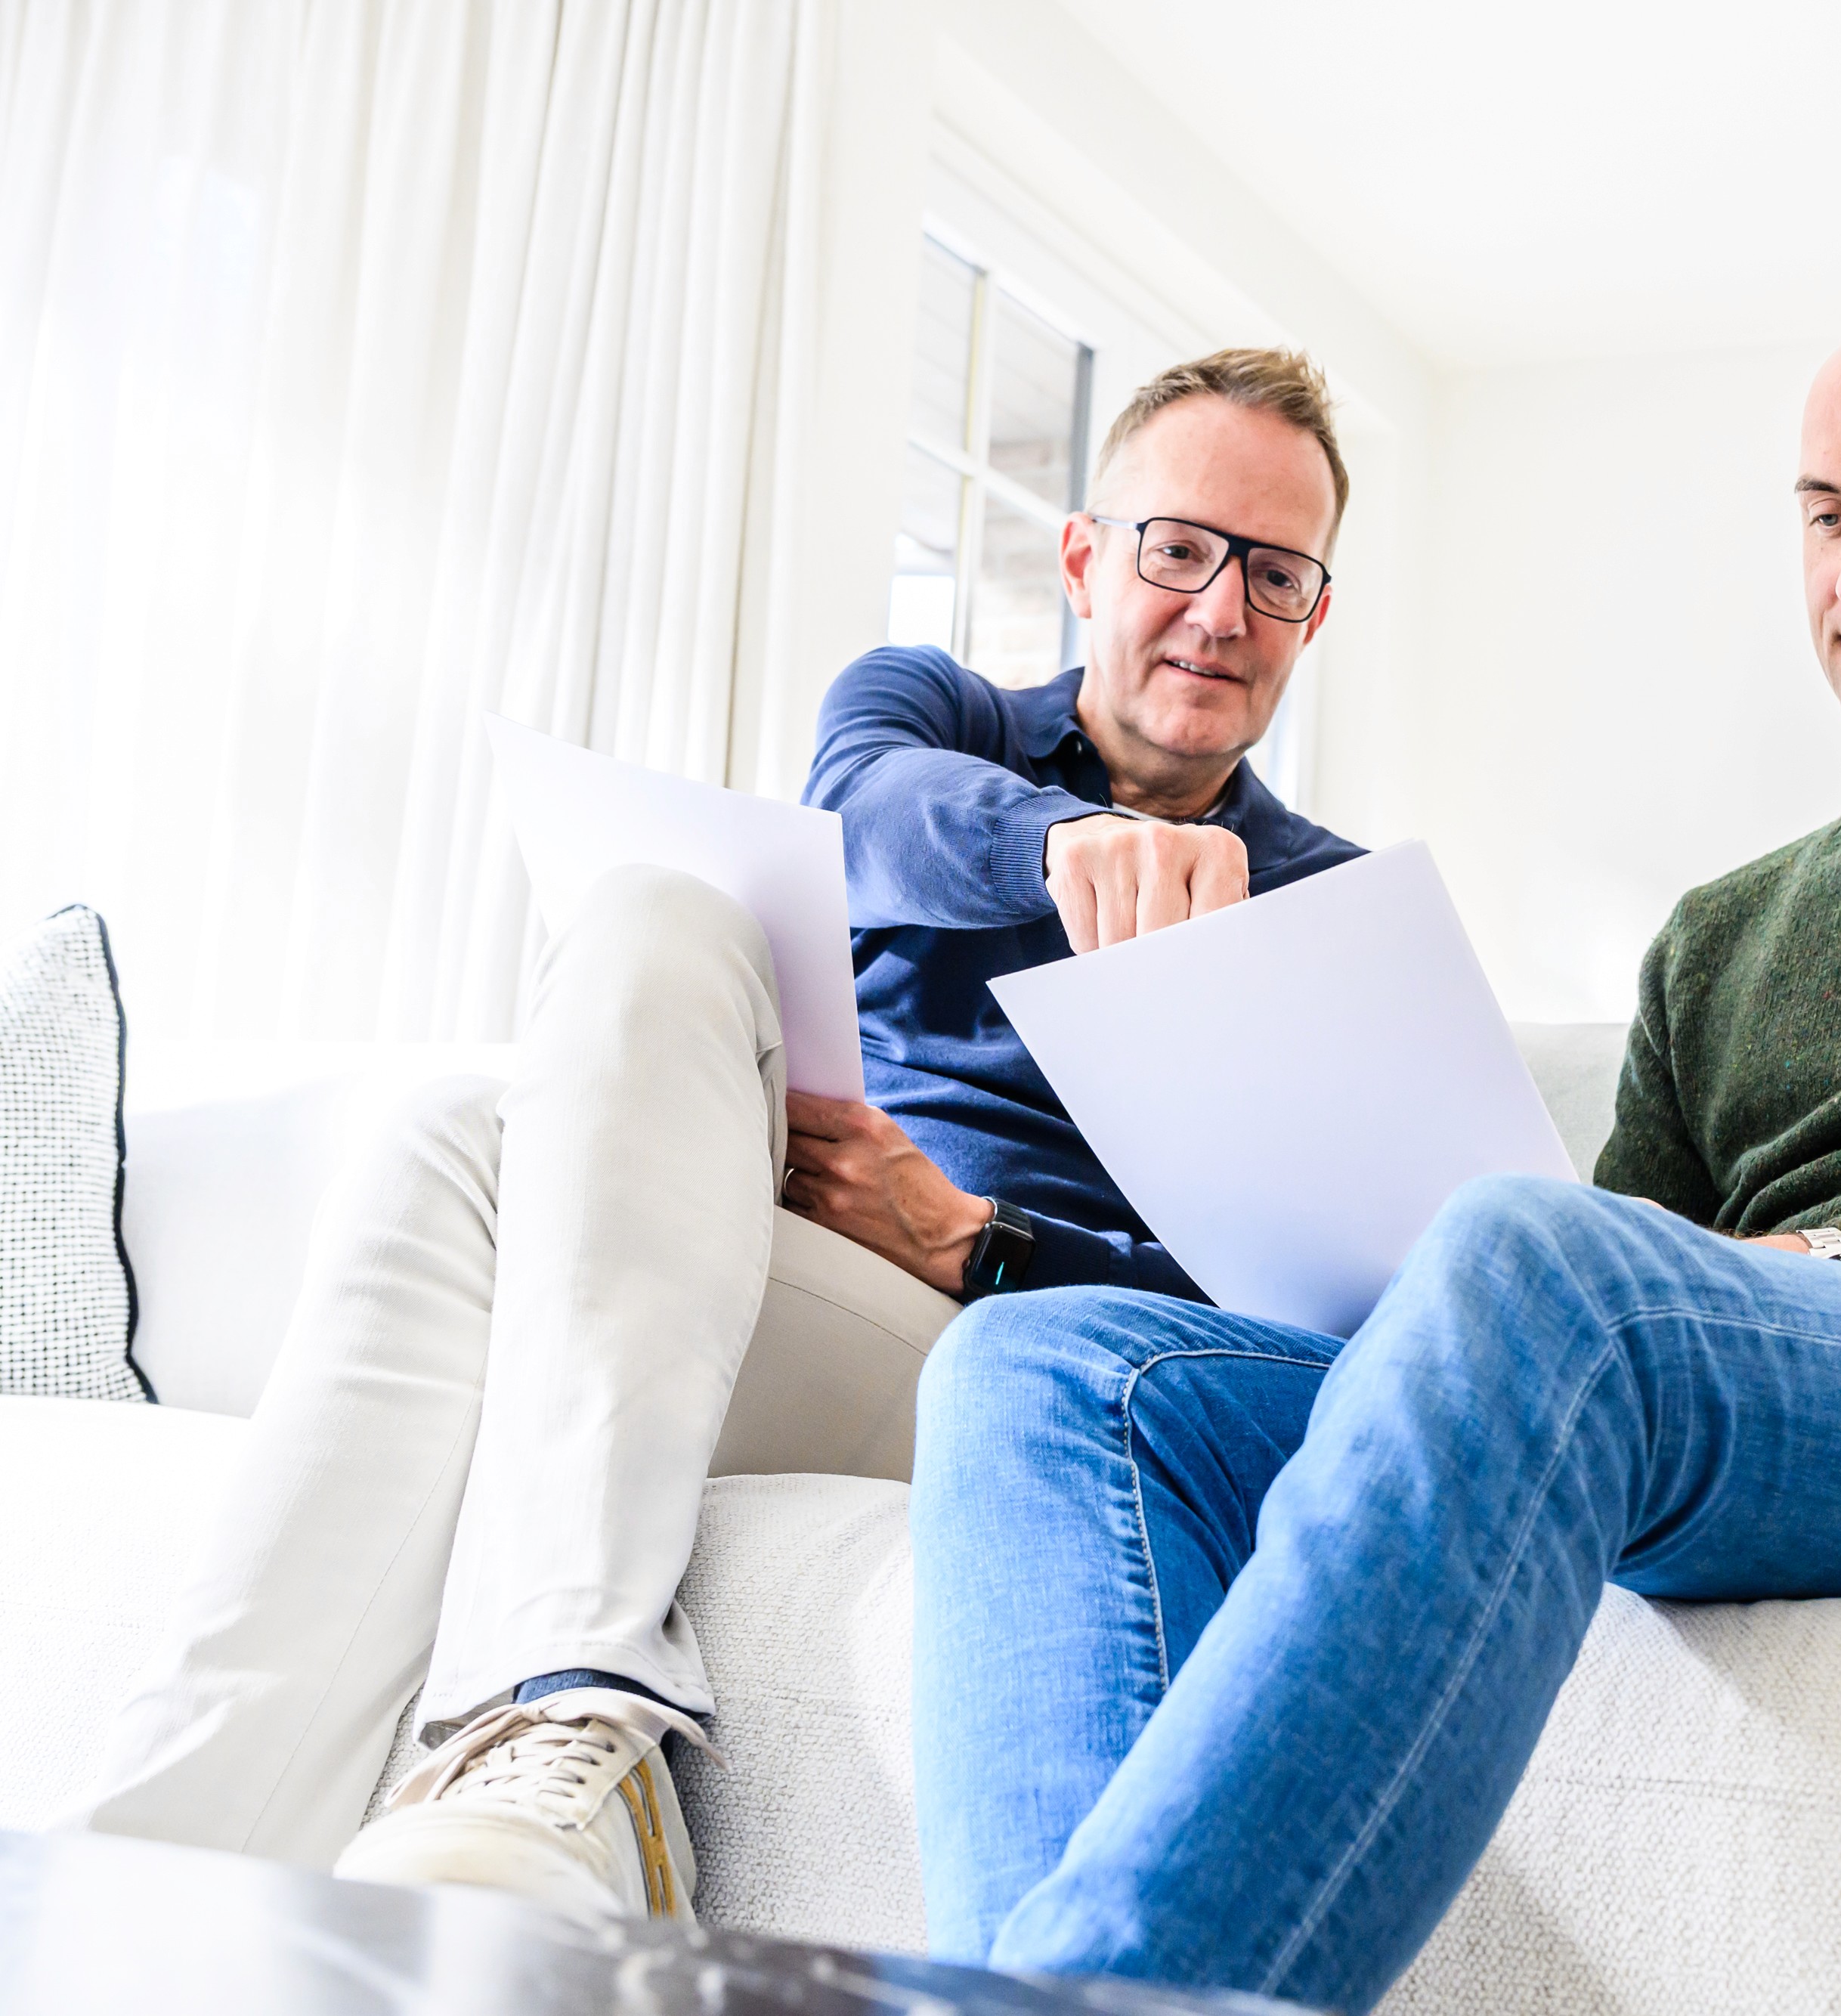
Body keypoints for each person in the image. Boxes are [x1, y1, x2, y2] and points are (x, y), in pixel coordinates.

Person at [907, 295, 1841, 2012]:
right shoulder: (1719, 933)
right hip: (1752, 1384)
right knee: (1049, 1361)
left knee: (1547, 1270)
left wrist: (1839, 1259)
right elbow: (1613, 1264)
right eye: (1821, 514)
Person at [77, 348, 1363, 1925]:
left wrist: (976, 1235)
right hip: (719, 1245)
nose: (1220, 610)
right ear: (1085, 556)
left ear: (1314, 612)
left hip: (973, 1343)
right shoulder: (927, 712)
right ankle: (153, 1887)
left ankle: (539, 1719)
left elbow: (1297, 1314)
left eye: (1276, 573)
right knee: (644, 923)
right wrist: (1086, 845)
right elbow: (867, 811)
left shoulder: (1327, 909)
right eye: (1178, 547)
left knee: (441, 1142)